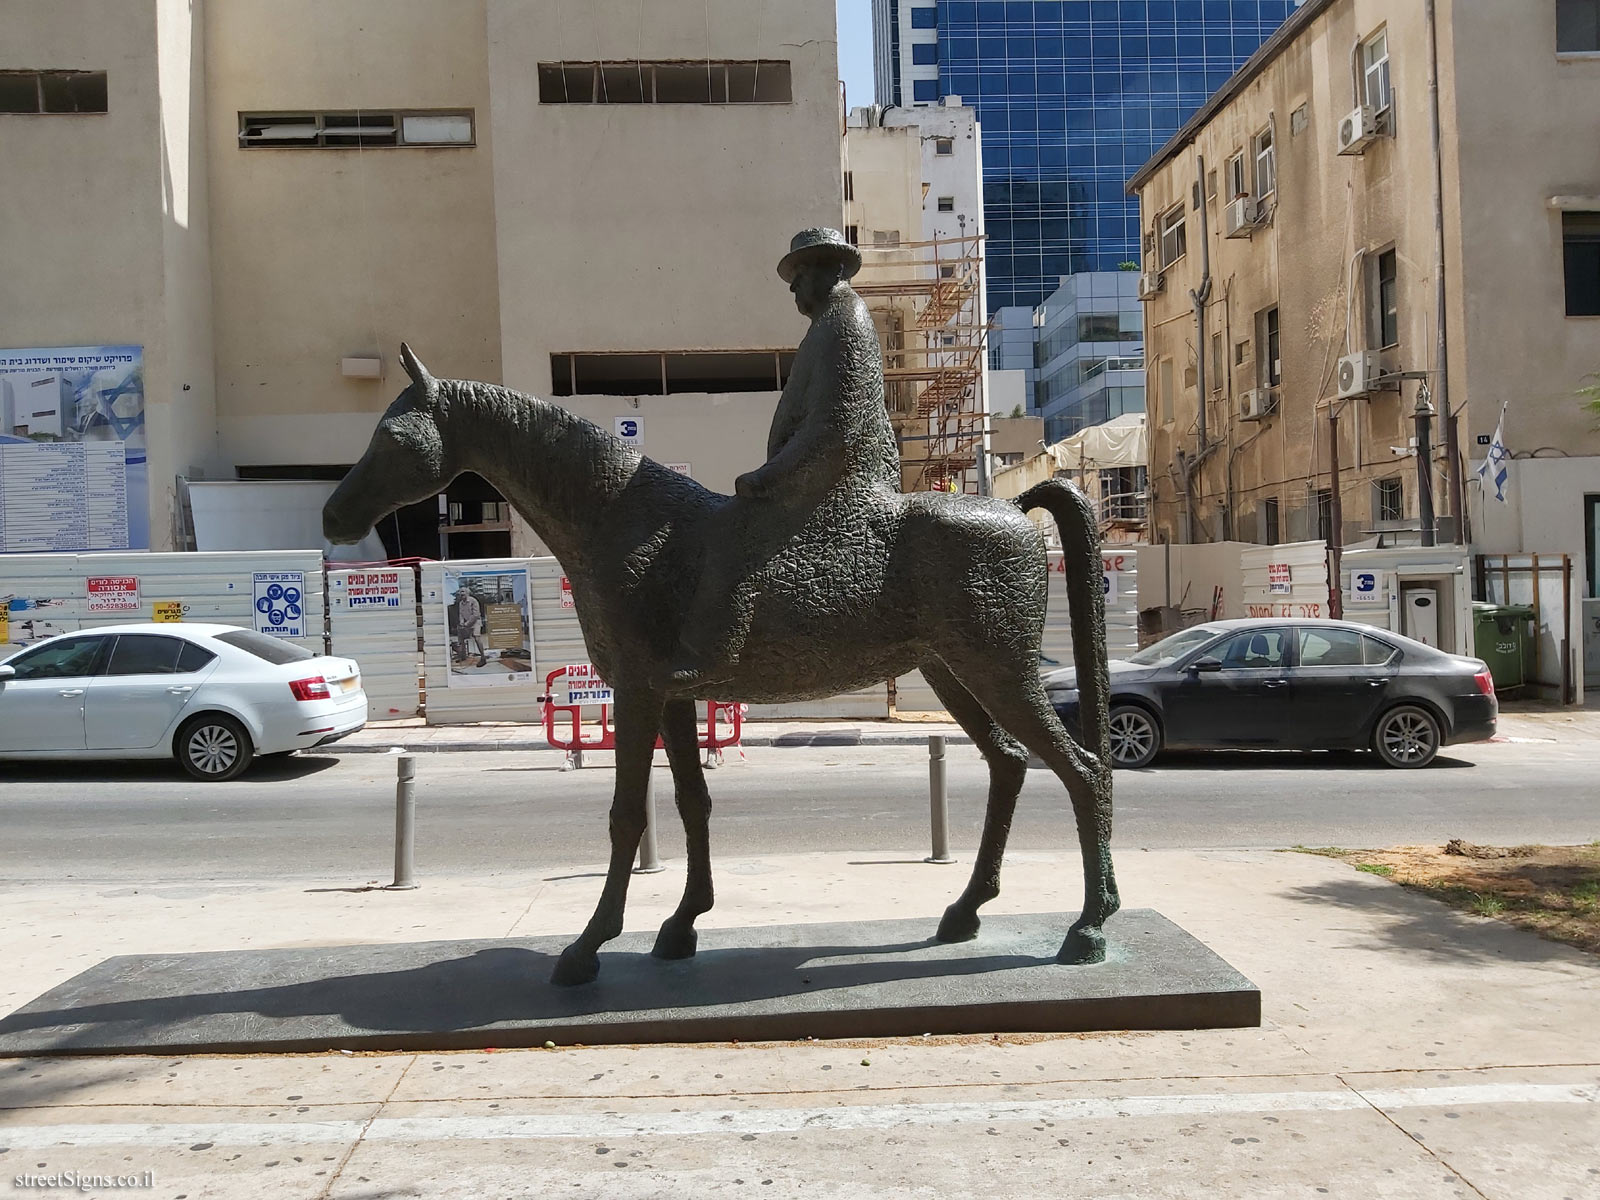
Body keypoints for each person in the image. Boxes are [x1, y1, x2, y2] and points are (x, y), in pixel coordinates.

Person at [666, 228, 900, 685]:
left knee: (732, 533)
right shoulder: (825, 327)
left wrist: (770, 477)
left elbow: (835, 427)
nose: (793, 286)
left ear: (831, 270)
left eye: (800, 274)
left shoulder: (845, 322)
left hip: (841, 483)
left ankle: (715, 652)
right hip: (820, 478)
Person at [453, 584, 487, 668]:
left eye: (463, 592)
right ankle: (463, 656)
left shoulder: (473, 601)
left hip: (475, 622)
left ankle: (483, 658)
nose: (461, 593)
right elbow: (461, 614)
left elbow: (475, 615)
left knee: (476, 637)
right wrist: (461, 622)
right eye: (460, 592)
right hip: (467, 623)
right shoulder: (461, 603)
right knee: (460, 635)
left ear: (468, 593)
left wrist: (467, 623)